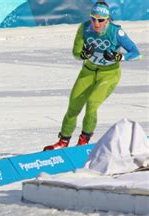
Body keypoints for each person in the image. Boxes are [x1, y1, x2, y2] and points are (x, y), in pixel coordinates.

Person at [43, 1, 140, 151]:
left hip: (108, 75)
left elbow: (136, 52)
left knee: (92, 105)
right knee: (73, 108)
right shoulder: (84, 28)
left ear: (107, 19)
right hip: (87, 71)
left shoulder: (116, 32)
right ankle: (63, 141)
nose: (96, 23)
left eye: (100, 20)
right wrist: (83, 54)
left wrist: (119, 57)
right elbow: (76, 53)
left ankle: (84, 140)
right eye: (93, 18)